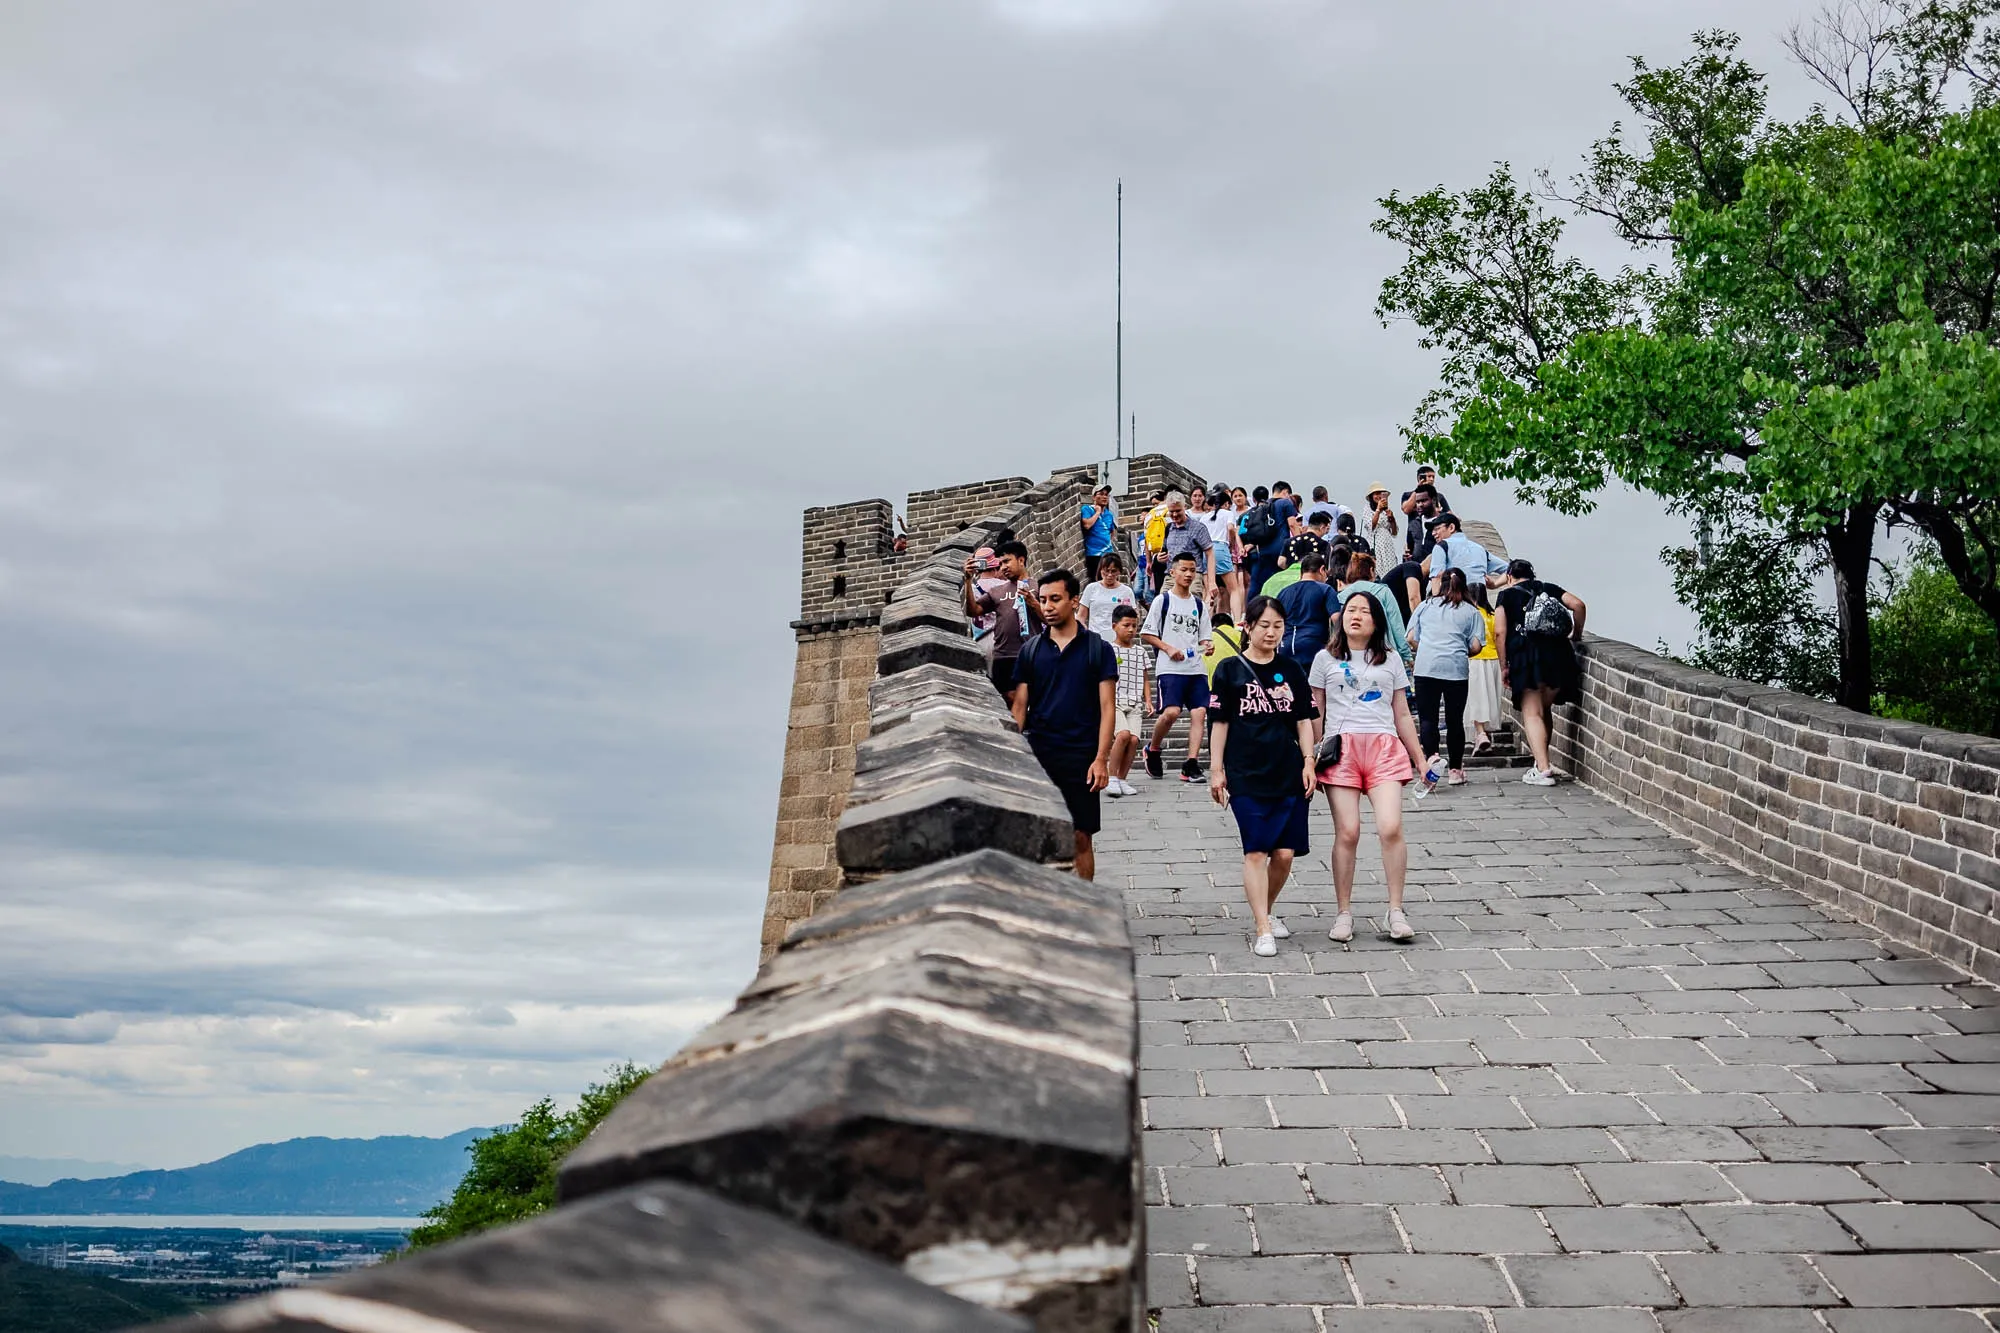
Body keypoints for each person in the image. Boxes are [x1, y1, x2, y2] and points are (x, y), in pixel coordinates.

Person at [1310, 590, 1427, 944]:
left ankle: (1395, 910)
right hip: (1340, 750)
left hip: (1383, 747)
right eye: (1350, 610)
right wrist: (1309, 758)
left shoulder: (1390, 660)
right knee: (1348, 831)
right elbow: (1315, 713)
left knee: (1390, 827)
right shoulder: (1323, 660)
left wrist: (1419, 757)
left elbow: (1402, 713)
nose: (1355, 615)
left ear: (1377, 620)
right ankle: (1343, 912)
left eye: (1363, 611)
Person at [1208, 595, 1318, 958]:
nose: (1271, 632)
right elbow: (1219, 723)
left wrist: (1308, 761)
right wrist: (1216, 769)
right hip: (1246, 772)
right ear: (1248, 627)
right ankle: (1263, 926)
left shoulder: (1292, 669)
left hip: (1287, 770)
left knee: (1284, 854)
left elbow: (1304, 719)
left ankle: (1265, 909)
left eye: (1278, 626)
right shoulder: (1229, 670)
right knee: (1255, 850)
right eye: (1264, 625)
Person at [1010, 569, 1117, 883]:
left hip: (1081, 755)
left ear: (1073, 601)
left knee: (1081, 836)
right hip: (1040, 752)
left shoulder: (1098, 649)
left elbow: (1107, 707)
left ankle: (1084, 905)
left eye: (1055, 599)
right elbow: (1019, 708)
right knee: (1039, 835)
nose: (1047, 606)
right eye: (1043, 600)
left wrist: (1101, 759)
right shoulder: (1031, 650)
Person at [1495, 558, 1588, 788]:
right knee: (1544, 711)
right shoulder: (1548, 589)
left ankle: (1544, 769)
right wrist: (1576, 635)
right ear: (1532, 575)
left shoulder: (1506, 596)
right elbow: (1578, 605)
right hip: (1559, 656)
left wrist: (1503, 666)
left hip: (1527, 657)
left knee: (1532, 713)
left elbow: (1499, 632)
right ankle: (1541, 763)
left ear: (1509, 577)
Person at [1407, 568, 1488, 786]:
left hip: (1426, 668)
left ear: (1439, 584)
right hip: (1455, 670)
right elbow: (1476, 645)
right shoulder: (1471, 612)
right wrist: (1462, 650)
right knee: (1454, 721)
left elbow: (1412, 637)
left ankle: (1432, 755)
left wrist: (1425, 648)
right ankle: (1455, 770)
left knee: (1427, 718)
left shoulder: (1425, 606)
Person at [1141, 550, 1213, 783]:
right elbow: (1147, 633)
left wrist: (1207, 645)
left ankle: (1191, 764)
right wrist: (1168, 648)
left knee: (1199, 713)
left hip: (1196, 667)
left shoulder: (1199, 605)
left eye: (1193, 570)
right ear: (1172, 572)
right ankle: (1152, 748)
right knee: (1171, 712)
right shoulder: (1163, 601)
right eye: (1184, 569)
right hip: (1170, 667)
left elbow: (1204, 637)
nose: (1189, 574)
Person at [964, 539, 1043, 698]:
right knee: (1007, 700)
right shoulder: (997, 590)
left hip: (1032, 653)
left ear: (1021, 560)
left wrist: (1033, 603)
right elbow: (973, 611)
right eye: (1000, 564)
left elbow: (1050, 619)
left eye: (1007, 561)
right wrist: (967, 580)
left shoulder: (1038, 587)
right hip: (1004, 656)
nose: (1003, 567)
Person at [1106, 604, 1148, 797]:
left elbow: (1145, 676)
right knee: (1122, 735)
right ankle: (1111, 777)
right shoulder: (1108, 650)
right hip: (1114, 701)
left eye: (1134, 626)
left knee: (1133, 740)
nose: (1131, 630)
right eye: (1126, 625)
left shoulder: (1141, 652)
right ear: (1114, 626)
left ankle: (1123, 779)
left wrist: (1148, 700)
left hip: (1135, 702)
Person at [1340, 552, 1412, 665]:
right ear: (1371, 570)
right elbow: (1397, 626)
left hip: (1350, 655)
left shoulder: (1341, 596)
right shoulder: (1383, 592)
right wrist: (1406, 656)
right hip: (1383, 655)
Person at [1275, 553, 1337, 665]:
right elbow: (1336, 619)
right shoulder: (1325, 589)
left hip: (1285, 647)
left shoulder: (1284, 592)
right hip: (1314, 648)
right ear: (1322, 570)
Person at [1422, 512, 1507, 594]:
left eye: (1437, 529)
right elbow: (1512, 569)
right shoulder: (1480, 549)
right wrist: (1495, 584)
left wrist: (1436, 605)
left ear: (1451, 527)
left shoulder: (1442, 546)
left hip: (1454, 602)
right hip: (1480, 604)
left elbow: (1437, 577)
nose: (1433, 533)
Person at [1464, 583, 1502, 755]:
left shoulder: (1469, 615)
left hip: (1474, 660)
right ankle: (1484, 735)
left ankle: (1480, 734)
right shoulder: (1493, 615)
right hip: (1493, 661)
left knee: (1475, 699)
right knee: (1489, 699)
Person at [1160, 492, 1217, 603]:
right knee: (1163, 605)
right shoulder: (1168, 528)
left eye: (1178, 511)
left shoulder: (1198, 528)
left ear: (1184, 507)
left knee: (1191, 606)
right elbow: (1165, 552)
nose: (1175, 515)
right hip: (1171, 576)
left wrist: (1211, 582)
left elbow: (1210, 554)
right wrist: (1159, 558)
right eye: (1172, 512)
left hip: (1192, 576)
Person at [1198, 484, 1244, 622]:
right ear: (1226, 504)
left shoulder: (1204, 517)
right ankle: (1237, 621)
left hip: (1206, 551)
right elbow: (1231, 528)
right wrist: (1231, 544)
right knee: (1233, 589)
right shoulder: (1228, 513)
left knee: (1208, 591)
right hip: (1221, 547)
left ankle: (1205, 624)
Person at [1079, 552, 1137, 641]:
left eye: (1113, 571)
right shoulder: (1091, 588)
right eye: (1106, 570)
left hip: (1118, 640)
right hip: (1096, 638)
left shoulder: (1126, 592)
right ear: (1101, 570)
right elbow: (1081, 616)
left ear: (1119, 571)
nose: (1109, 575)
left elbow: (1134, 617)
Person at [1079, 485, 1119, 584]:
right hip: (1094, 554)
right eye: (1101, 494)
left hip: (1108, 554)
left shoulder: (1109, 514)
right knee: (1097, 582)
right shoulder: (1087, 509)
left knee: (1111, 581)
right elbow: (1087, 525)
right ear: (1093, 497)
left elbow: (1111, 531)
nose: (1104, 497)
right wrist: (1097, 513)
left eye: (1106, 495)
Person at [1363, 482, 1402, 575]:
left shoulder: (1386, 510)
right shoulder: (1367, 509)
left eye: (1381, 493)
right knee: (1377, 568)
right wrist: (1378, 510)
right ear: (1371, 496)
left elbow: (1394, 532)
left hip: (1387, 543)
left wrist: (1392, 519)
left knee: (1390, 568)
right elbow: (1370, 526)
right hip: (1375, 543)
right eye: (1376, 494)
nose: (1379, 496)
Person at [1403, 483, 1444, 562]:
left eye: (1424, 501)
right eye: (1418, 502)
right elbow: (1409, 547)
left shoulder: (1445, 522)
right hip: (1417, 569)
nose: (1420, 505)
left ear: (1434, 500)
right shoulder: (1414, 524)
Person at [1142, 489, 1172, 595]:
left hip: (1156, 556)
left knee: (1159, 592)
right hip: (1172, 555)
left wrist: (1149, 562)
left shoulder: (1149, 516)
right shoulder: (1172, 511)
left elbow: (1147, 541)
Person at [1203, 611, 1246, 679]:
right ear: (1231, 626)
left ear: (1213, 626)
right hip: (1239, 681)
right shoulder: (1241, 635)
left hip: (1212, 683)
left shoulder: (1206, 640)